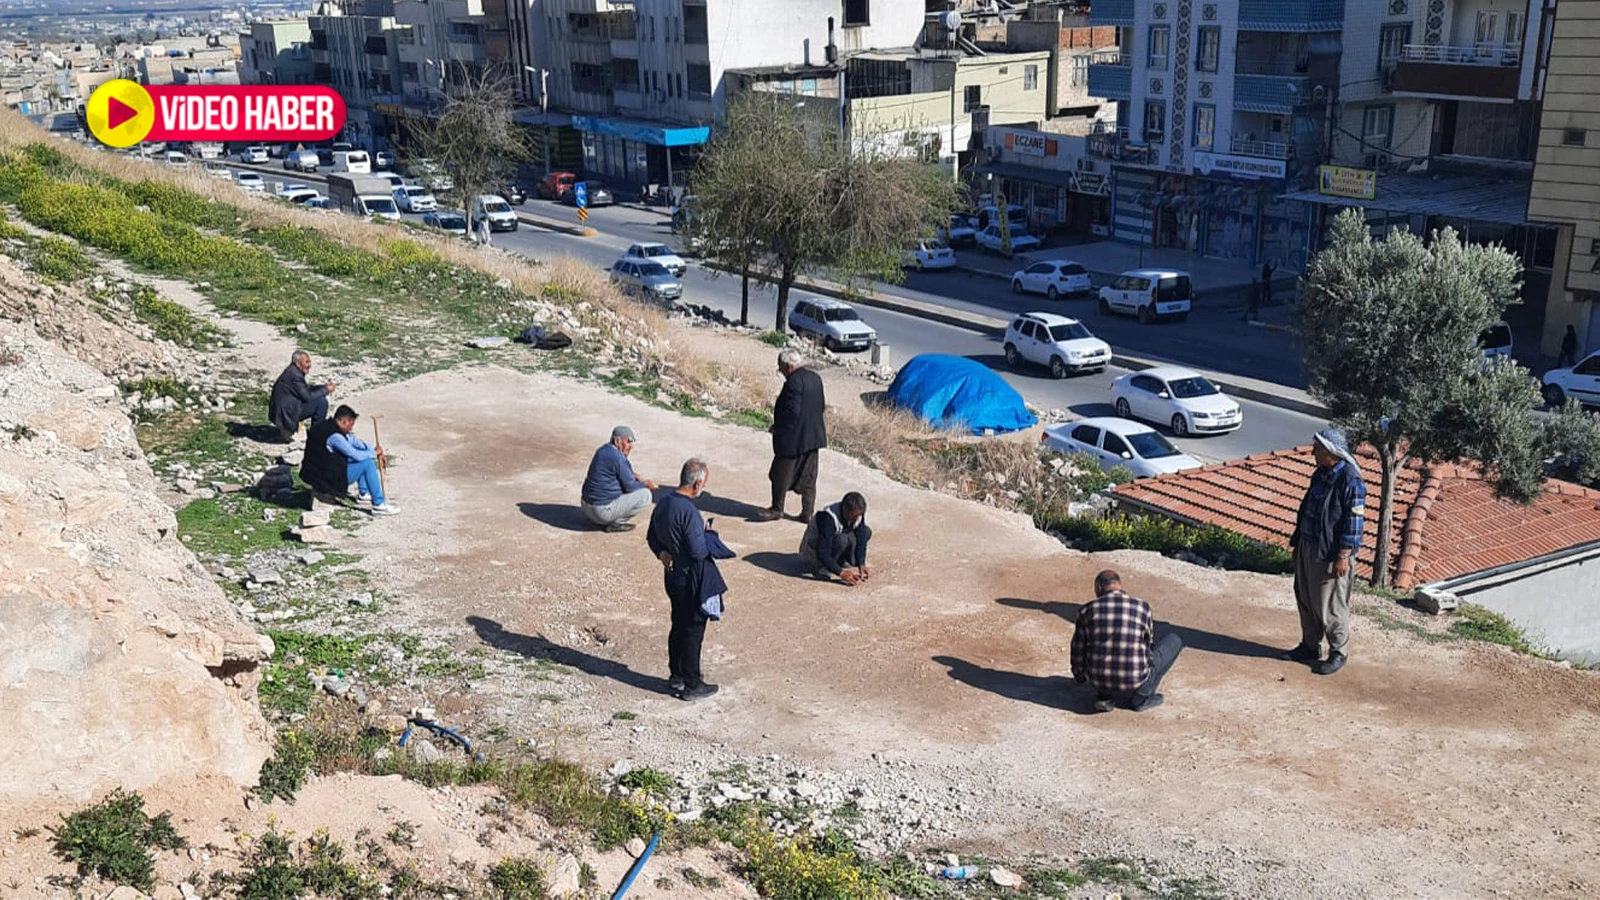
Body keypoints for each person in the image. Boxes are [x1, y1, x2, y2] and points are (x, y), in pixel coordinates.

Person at [1282, 428, 1367, 675]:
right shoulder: (1320, 474)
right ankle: (1310, 646)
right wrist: (1298, 543)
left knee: (1330, 605)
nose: (1313, 453)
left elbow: (1354, 522)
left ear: (1332, 452)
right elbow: (1308, 508)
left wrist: (1343, 555)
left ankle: (1338, 652)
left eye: (1318, 449)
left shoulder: (1351, 481)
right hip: (1309, 547)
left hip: (1331, 554)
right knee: (1306, 598)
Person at [647, 458, 718, 701]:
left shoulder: (663, 503)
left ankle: (676, 676)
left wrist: (662, 553)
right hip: (691, 578)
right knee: (692, 629)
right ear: (697, 483)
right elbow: (698, 551)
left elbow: (651, 537)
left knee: (678, 623)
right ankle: (692, 682)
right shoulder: (688, 511)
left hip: (672, 576)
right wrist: (706, 534)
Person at [1071, 570, 1183, 713]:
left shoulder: (1086, 610)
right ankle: (1141, 697)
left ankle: (1104, 696)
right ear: (1119, 585)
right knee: (1174, 640)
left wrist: (1079, 676)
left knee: (1097, 647)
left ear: (1098, 588)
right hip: (1134, 678)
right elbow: (1148, 644)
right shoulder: (1142, 607)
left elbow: (1078, 649)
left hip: (1098, 679)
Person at [758, 349, 826, 523]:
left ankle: (776, 509)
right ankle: (807, 513)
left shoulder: (793, 383)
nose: (780, 371)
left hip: (793, 440)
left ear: (789, 366)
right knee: (809, 476)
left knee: (779, 475)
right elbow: (821, 405)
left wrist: (778, 428)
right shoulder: (815, 378)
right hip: (813, 437)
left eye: (781, 368)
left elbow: (792, 412)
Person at [299, 404, 398, 516]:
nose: (351, 428)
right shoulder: (335, 437)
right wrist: (374, 453)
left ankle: (364, 493)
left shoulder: (326, 426)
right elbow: (355, 455)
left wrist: (372, 450)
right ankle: (379, 504)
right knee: (368, 463)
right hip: (326, 477)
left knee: (363, 458)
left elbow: (354, 442)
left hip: (316, 472)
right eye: (351, 424)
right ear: (345, 421)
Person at [580, 426, 658, 532]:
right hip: (600, 512)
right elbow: (630, 487)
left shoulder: (602, 450)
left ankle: (601, 519)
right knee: (645, 495)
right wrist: (646, 484)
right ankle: (616, 524)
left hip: (586, 507)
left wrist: (632, 474)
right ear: (617, 441)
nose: (631, 446)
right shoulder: (618, 458)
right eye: (628, 442)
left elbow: (611, 471)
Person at [799, 491, 872, 585]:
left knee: (866, 532)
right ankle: (823, 568)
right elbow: (822, 552)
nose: (857, 518)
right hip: (814, 551)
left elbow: (861, 536)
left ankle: (840, 561)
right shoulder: (827, 518)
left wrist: (861, 564)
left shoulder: (857, 515)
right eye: (854, 516)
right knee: (842, 540)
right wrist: (841, 573)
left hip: (833, 543)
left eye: (859, 515)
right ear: (845, 510)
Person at [268, 350, 335, 442]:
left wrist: (322, 387)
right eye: (307, 362)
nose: (309, 365)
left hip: (285, 409)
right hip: (286, 412)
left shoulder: (292, 371)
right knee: (321, 403)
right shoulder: (295, 375)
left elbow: (304, 389)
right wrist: (326, 390)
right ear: (298, 363)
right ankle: (317, 436)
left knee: (319, 398)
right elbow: (307, 397)